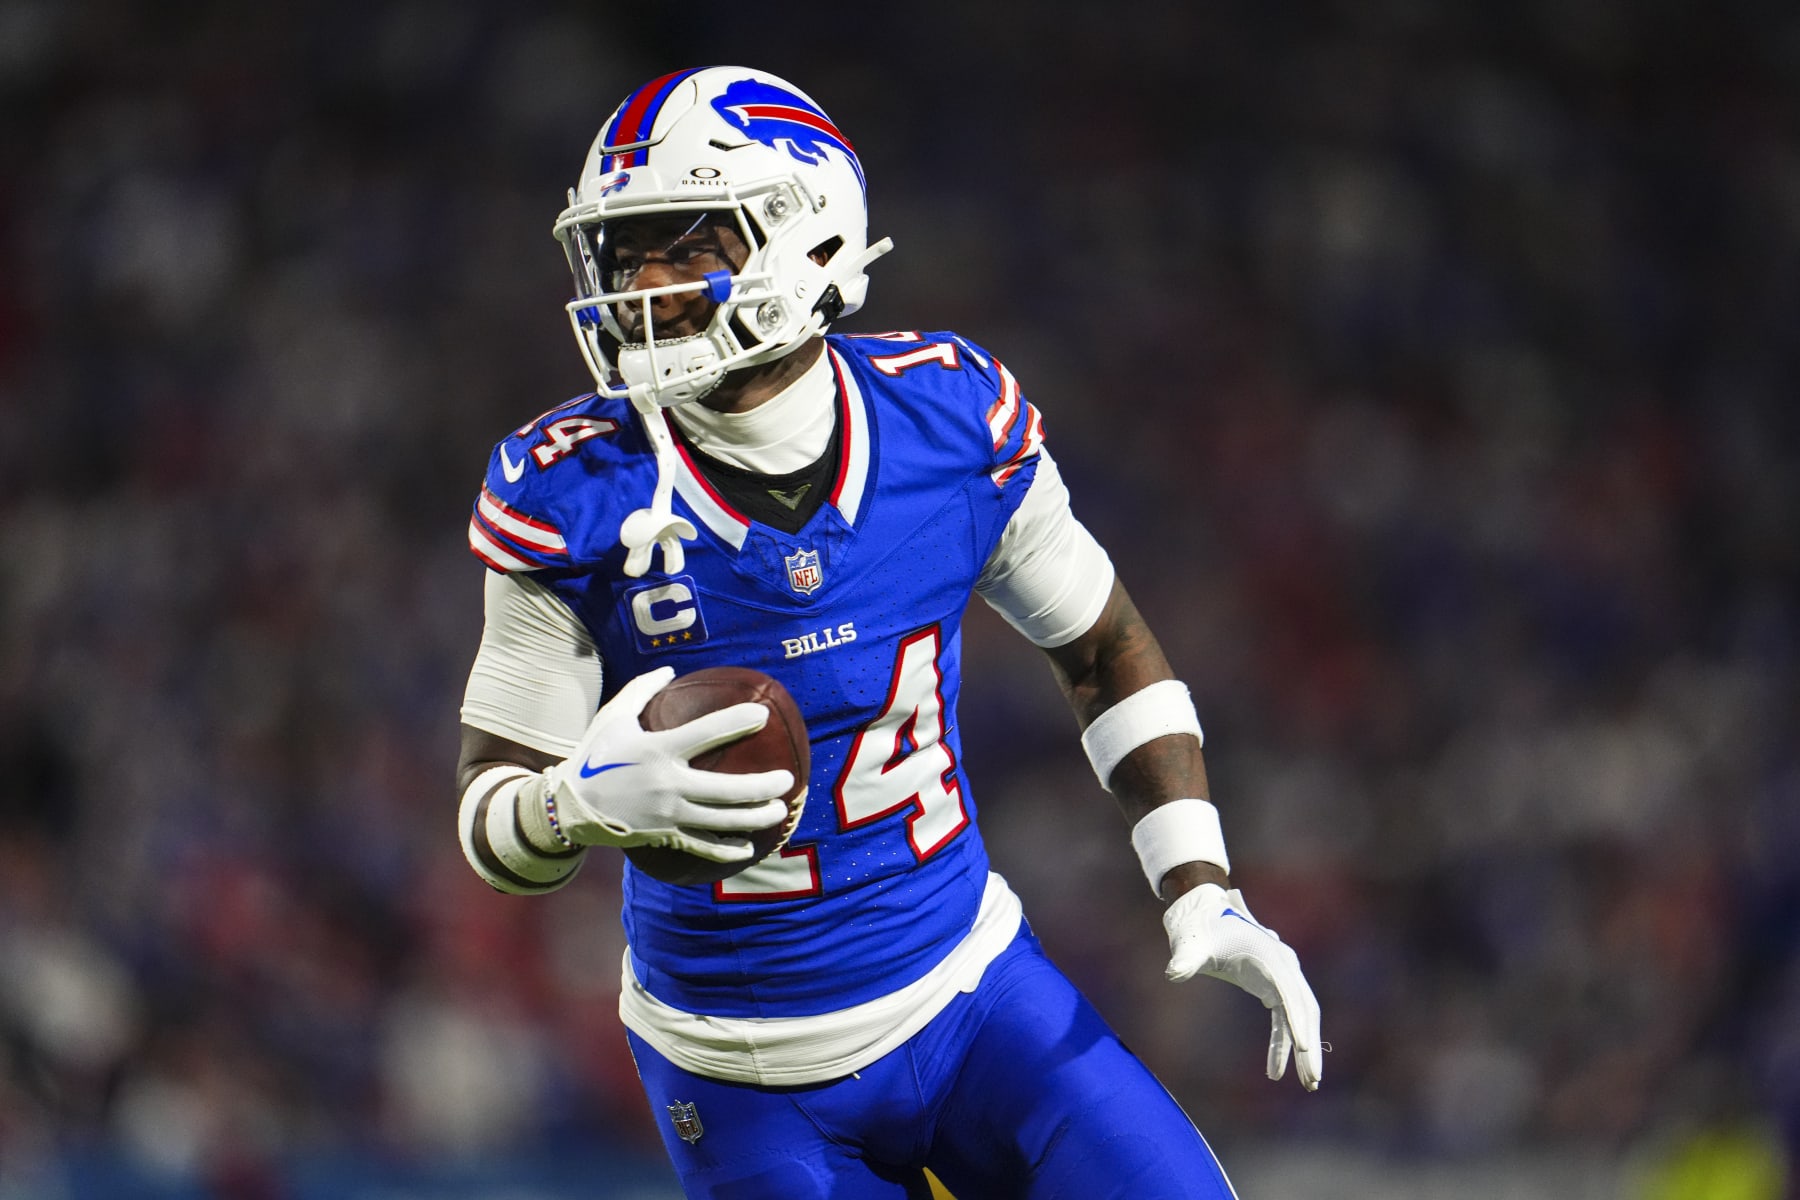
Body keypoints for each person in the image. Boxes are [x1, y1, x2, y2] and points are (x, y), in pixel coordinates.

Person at [455, 65, 1322, 1199]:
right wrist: (572, 804)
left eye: (687, 245)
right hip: (741, 1071)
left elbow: (1104, 648)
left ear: (810, 244)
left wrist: (1199, 883)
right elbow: (489, 811)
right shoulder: (572, 488)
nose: (644, 287)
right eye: (627, 254)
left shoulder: (947, 419)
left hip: (973, 994)